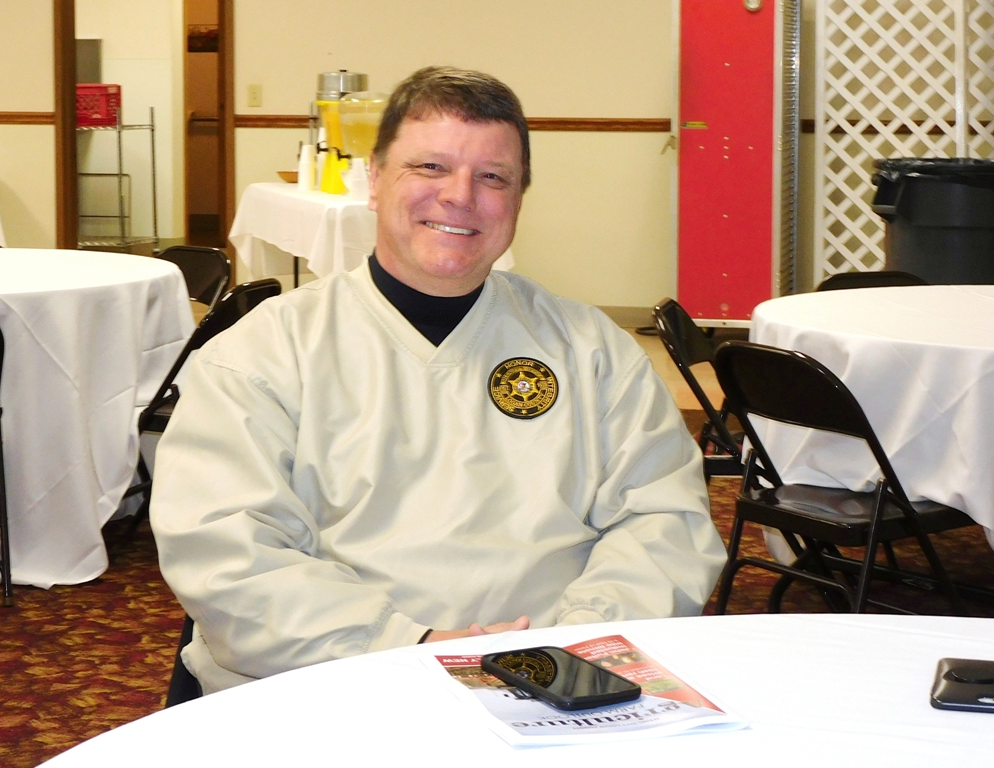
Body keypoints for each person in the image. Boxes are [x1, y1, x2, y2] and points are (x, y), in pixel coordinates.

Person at [151, 66, 727, 694]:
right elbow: (229, 553)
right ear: (374, 180)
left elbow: (665, 522)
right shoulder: (262, 355)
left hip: (561, 682)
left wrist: (573, 647)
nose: (460, 195)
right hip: (337, 684)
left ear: (519, 198)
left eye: (493, 177)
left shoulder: (593, 351)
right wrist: (407, 647)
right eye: (430, 167)